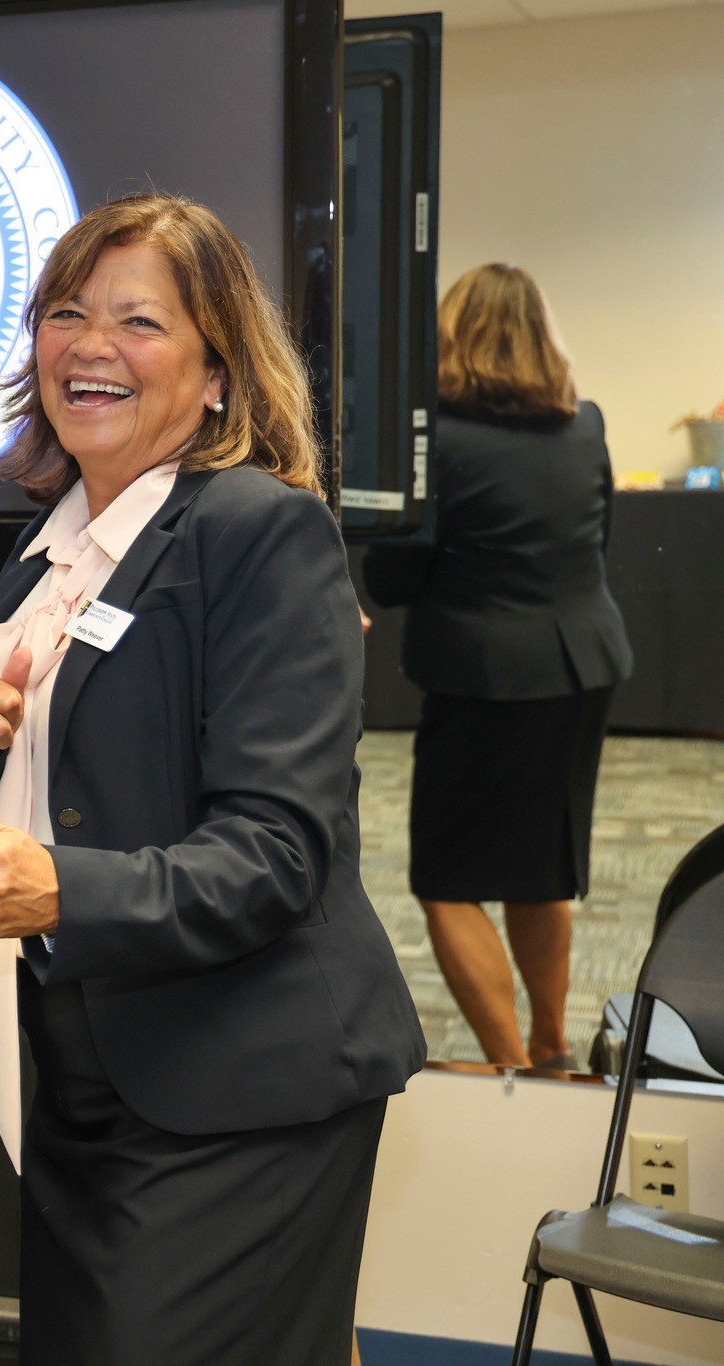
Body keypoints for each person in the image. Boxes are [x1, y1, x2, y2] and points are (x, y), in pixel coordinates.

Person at [0, 193, 425, 1364]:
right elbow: (36, 794)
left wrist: (62, 890)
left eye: (138, 321)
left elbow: (277, 850)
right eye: (64, 313)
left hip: (240, 1084)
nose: (89, 345)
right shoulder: (48, 548)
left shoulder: (260, 529)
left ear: (215, 374)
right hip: (91, 1074)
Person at [363, 263, 632, 1070]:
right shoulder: (585, 424)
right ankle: (550, 1047)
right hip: (582, 667)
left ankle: (510, 1070)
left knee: (448, 881)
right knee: (542, 871)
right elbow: (599, 540)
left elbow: (393, 579)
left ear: (453, 336)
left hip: (485, 680)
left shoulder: (435, 442)